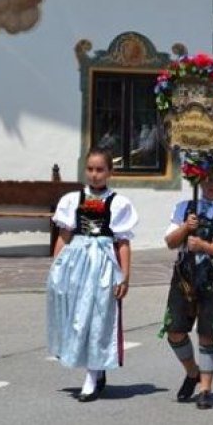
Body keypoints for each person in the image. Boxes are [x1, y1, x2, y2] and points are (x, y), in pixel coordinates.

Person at [46, 147, 138, 401]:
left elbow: (123, 243)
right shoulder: (72, 200)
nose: (95, 174)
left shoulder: (118, 203)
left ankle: (91, 375)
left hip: (104, 264)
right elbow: (64, 236)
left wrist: (125, 276)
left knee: (98, 317)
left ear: (110, 172)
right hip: (76, 263)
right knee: (78, 317)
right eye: (90, 169)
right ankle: (95, 371)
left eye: (100, 170)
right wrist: (57, 268)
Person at [161, 159, 213, 410]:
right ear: (199, 180)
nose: (212, 184)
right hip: (184, 276)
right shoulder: (185, 208)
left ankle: (206, 388)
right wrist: (186, 228)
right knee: (174, 329)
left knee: (208, 333)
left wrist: (206, 246)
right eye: (208, 179)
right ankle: (192, 371)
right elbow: (170, 241)